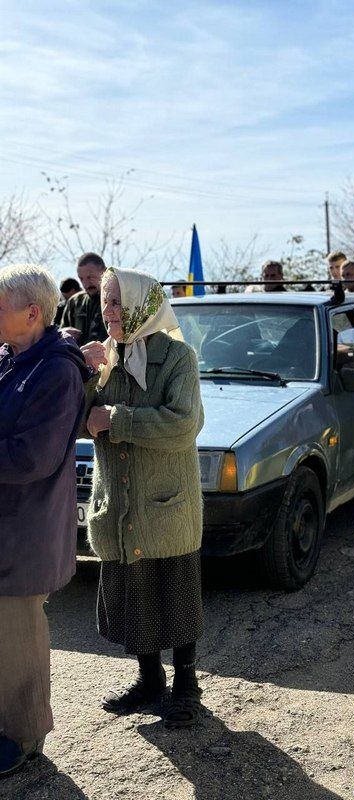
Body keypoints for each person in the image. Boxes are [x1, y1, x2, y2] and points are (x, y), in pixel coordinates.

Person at [83, 267, 204, 728]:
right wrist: (80, 370)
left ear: (141, 306)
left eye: (116, 302)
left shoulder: (179, 358)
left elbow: (182, 424)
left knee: (175, 595)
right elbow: (77, 420)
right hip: (119, 506)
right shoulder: (105, 360)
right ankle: (151, 681)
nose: (108, 311)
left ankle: (187, 685)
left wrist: (116, 418)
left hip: (166, 506)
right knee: (136, 597)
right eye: (105, 301)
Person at [0, 264, 88, 777]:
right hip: (6, 524)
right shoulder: (11, 357)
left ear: (32, 312)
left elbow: (34, 456)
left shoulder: (55, 370)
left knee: (18, 636)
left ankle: (25, 737)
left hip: (25, 529)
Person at [60, 252, 108, 344]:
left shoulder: (118, 300)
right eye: (81, 278)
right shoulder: (75, 302)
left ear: (105, 272)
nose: (85, 284)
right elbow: (61, 336)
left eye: (90, 277)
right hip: (78, 357)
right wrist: (62, 334)